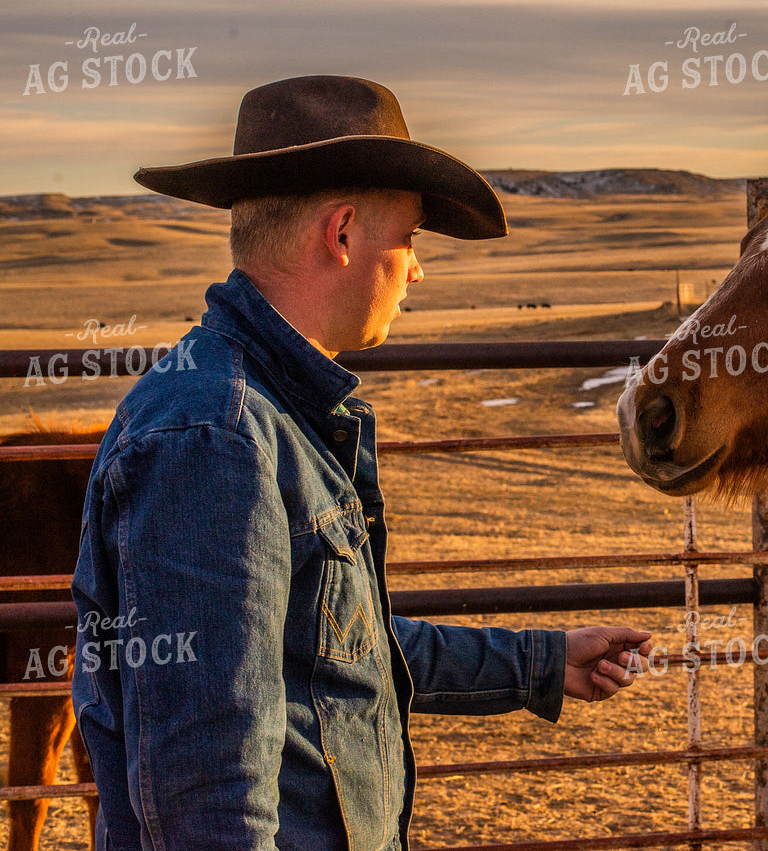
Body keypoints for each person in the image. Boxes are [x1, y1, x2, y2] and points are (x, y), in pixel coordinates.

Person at [71, 75, 652, 851]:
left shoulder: (267, 413)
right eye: (409, 238)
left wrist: (543, 661)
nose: (417, 270)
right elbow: (206, 794)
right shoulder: (216, 437)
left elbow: (334, 647)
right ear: (342, 232)